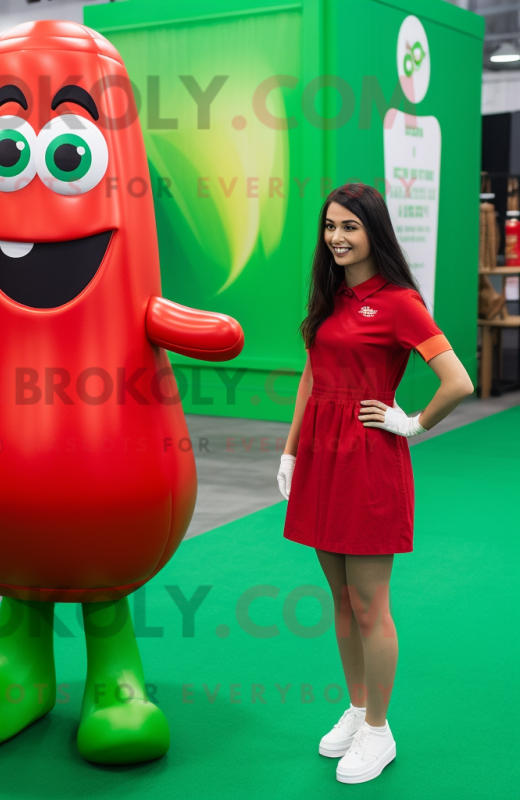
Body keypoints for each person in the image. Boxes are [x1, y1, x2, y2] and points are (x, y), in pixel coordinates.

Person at [277, 184, 473, 784]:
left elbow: (457, 380)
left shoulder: (400, 302)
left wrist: (409, 422)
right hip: (319, 457)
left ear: (374, 232)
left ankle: (380, 731)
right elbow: (313, 374)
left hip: (367, 459)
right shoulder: (331, 294)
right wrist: (289, 452)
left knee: (369, 604)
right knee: (339, 599)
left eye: (350, 228)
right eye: (330, 227)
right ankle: (359, 710)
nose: (336, 237)